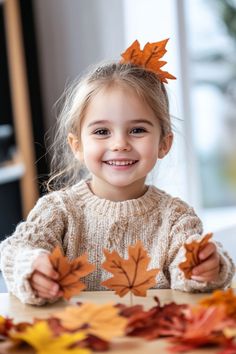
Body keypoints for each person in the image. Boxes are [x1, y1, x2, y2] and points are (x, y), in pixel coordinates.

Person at [0, 39, 234, 305]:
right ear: (77, 145)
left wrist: (205, 267)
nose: (120, 144)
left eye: (137, 130)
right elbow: (17, 250)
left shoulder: (176, 218)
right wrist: (31, 268)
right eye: (102, 132)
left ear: (163, 143)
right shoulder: (59, 210)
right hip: (77, 340)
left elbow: (189, 270)